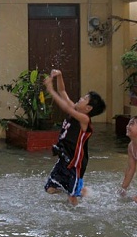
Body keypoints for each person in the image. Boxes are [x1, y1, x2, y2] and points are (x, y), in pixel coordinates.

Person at [43, 69, 106, 205]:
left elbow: (66, 108)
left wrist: (50, 90)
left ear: (88, 108)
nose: (80, 98)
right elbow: (63, 92)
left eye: (84, 99)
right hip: (63, 158)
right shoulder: (76, 110)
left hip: (75, 164)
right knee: (50, 188)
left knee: (71, 198)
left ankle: (79, 204)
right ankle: (81, 190)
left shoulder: (84, 119)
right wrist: (59, 75)